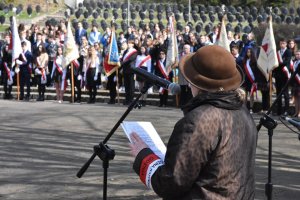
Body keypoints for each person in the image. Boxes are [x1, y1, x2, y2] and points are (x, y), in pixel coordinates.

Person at [129, 45, 257, 200]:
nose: (188, 84)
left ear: (198, 83)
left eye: (190, 79)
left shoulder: (198, 121)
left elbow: (172, 183)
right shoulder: (243, 112)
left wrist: (144, 156)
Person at [273, 38, 292, 115]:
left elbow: (286, 62)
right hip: (278, 75)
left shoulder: (288, 52)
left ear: (286, 44)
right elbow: (275, 62)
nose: (282, 45)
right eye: (281, 43)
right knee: (278, 94)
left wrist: (279, 64)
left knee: (285, 93)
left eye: (283, 43)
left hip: (284, 75)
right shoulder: (278, 52)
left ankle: (286, 110)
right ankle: (279, 110)